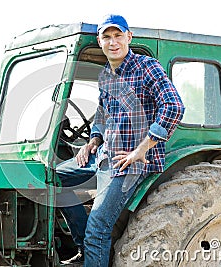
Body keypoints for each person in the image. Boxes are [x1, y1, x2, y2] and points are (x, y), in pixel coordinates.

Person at [58, 14, 185, 266]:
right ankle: (87, 249)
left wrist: (142, 148)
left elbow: (174, 106)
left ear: (129, 37)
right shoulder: (105, 75)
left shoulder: (147, 67)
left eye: (118, 35)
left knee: (98, 226)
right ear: (100, 41)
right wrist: (93, 140)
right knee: (54, 178)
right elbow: (103, 113)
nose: (113, 42)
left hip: (131, 162)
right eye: (107, 37)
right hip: (104, 155)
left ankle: (92, 246)